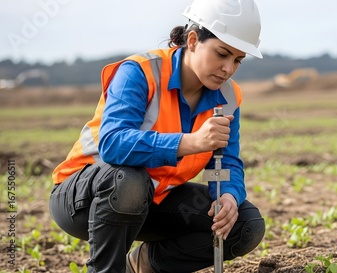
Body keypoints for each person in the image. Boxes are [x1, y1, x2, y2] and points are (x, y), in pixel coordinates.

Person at [49, 0, 265, 272]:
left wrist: (229, 196)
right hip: (84, 199)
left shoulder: (229, 97)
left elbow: (226, 163)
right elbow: (113, 143)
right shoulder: (139, 73)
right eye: (222, 54)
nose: (228, 68)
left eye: (237, 60)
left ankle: (141, 265)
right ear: (194, 40)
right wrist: (191, 142)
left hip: (151, 202)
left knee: (246, 224)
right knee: (129, 180)